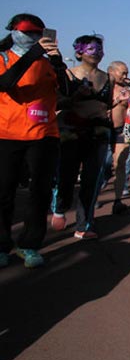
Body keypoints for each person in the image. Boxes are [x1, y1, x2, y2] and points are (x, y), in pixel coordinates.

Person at [0, 14, 68, 269]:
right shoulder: (4, 58)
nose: (34, 37)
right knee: (4, 192)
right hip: (7, 135)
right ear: (13, 31)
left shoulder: (47, 63)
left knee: (39, 193)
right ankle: (2, 244)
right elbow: (6, 83)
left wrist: (58, 61)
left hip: (44, 136)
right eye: (28, 32)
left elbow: (67, 92)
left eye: (38, 33)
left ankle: (30, 244)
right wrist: (32, 55)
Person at [50, 34, 112, 240]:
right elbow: (57, 103)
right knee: (66, 175)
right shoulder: (67, 75)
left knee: (92, 179)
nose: (97, 53)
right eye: (92, 49)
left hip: (98, 133)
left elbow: (107, 105)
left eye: (100, 49)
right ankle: (59, 207)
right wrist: (76, 96)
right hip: (71, 132)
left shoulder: (107, 78)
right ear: (79, 52)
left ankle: (85, 223)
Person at [107, 61, 130, 215]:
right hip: (103, 129)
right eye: (122, 73)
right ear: (112, 71)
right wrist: (117, 100)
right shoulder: (105, 88)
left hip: (121, 132)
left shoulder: (127, 91)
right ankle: (95, 194)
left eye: (127, 73)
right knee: (104, 166)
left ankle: (118, 200)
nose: (125, 76)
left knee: (120, 165)